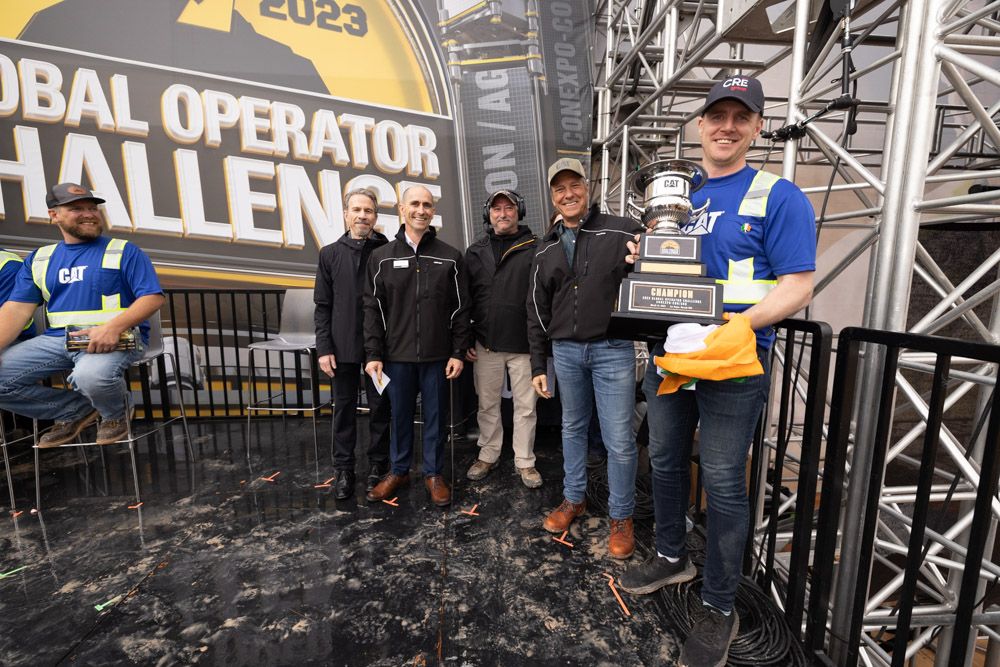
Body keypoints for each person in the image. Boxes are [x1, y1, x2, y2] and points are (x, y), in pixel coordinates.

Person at [618, 77, 815, 667]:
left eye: (740, 116)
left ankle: (721, 603)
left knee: (726, 479)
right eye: (716, 115)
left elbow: (799, 285)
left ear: (756, 127)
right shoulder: (675, 198)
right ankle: (673, 553)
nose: (727, 126)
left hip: (735, 355)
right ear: (699, 125)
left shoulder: (777, 195)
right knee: (665, 458)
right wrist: (642, 265)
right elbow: (667, 277)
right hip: (671, 352)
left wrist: (741, 325)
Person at [526, 158, 645, 559]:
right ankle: (573, 498)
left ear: (587, 187)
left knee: (619, 441)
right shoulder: (544, 248)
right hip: (566, 352)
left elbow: (651, 270)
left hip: (613, 351)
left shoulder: (623, 230)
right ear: (552, 197)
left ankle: (621, 516)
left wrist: (645, 256)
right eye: (559, 189)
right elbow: (537, 309)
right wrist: (538, 365)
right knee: (572, 430)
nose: (568, 194)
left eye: (573, 185)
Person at [0, 183, 165, 447]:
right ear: (54, 215)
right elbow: (17, 309)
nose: (89, 214)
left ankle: (115, 414)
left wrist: (112, 327)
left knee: (90, 377)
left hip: (116, 337)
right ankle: (73, 410)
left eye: (92, 208)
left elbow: (152, 297)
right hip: (57, 341)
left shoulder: (124, 250)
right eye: (76, 208)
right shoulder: (40, 258)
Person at [363, 185, 470, 507]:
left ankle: (434, 474)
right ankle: (399, 470)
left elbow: (462, 308)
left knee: (437, 418)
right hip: (396, 357)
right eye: (414, 204)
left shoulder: (450, 256)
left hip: (438, 357)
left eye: (426, 204)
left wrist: (457, 351)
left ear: (433, 211)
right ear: (401, 209)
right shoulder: (380, 258)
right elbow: (372, 309)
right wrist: (373, 354)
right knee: (399, 416)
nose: (421, 210)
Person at [314, 188, 391, 500]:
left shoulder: (387, 250)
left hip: (380, 347)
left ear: (375, 216)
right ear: (345, 214)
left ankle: (378, 466)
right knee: (343, 409)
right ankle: (343, 470)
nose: (362, 216)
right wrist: (324, 348)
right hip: (341, 345)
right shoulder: (329, 254)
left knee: (380, 407)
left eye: (368, 211)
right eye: (356, 210)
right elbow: (322, 305)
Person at [464, 190, 542, 489]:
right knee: (487, 405)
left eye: (509, 207)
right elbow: (467, 299)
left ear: (519, 211)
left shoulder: (536, 247)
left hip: (523, 346)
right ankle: (488, 454)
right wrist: (467, 337)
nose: (502, 213)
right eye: (496, 209)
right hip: (486, 344)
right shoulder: (475, 251)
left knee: (526, 408)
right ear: (488, 214)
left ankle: (525, 461)